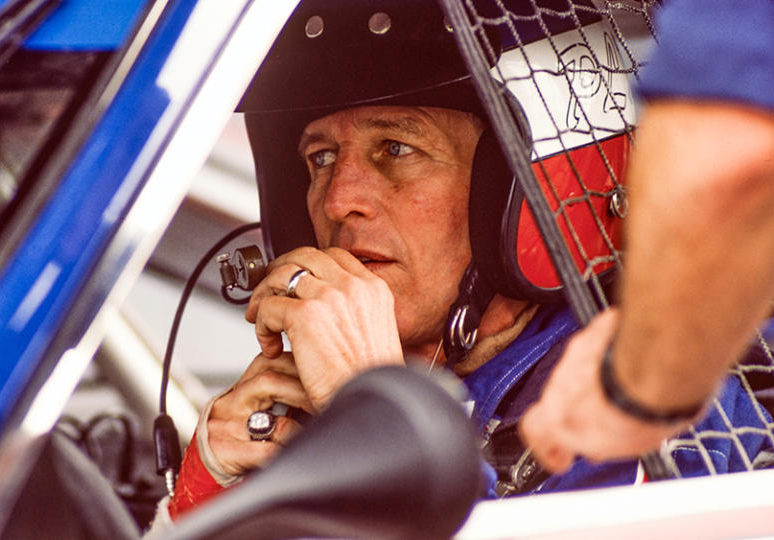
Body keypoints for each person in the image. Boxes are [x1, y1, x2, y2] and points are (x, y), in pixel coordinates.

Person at [149, 0, 774, 531]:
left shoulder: (646, 395)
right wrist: (208, 497)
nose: (339, 200)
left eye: (397, 149)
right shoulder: (307, 390)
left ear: (522, 192)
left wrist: (378, 420)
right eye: (319, 158)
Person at [520, 0, 774, 473]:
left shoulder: (708, 406)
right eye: (329, 157)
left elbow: (728, 159)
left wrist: (639, 392)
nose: (339, 200)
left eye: (397, 150)